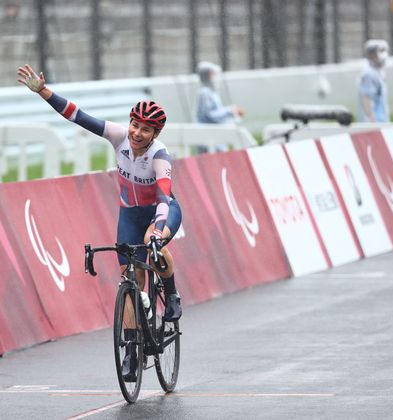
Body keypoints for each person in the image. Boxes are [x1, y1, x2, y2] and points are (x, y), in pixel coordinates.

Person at [17, 64, 183, 382]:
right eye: (135, 125)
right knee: (130, 282)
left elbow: (164, 196)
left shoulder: (160, 155)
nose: (137, 133)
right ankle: (132, 354)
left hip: (161, 212)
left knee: (155, 246)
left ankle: (172, 294)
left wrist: (159, 229)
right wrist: (43, 91)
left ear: (155, 135)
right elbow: (79, 116)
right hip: (129, 216)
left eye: (145, 130)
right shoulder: (119, 136)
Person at [195, 61, 245, 152]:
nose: (216, 77)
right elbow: (210, 115)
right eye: (213, 74)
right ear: (208, 75)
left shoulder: (212, 92)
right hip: (209, 137)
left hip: (216, 136)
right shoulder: (204, 93)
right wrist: (229, 111)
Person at [357, 39, 390, 123]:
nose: (384, 55)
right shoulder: (369, 74)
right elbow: (366, 98)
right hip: (374, 123)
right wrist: (372, 121)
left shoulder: (378, 72)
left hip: (381, 120)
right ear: (371, 55)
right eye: (380, 51)